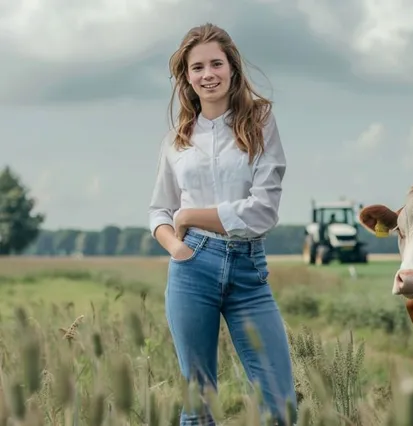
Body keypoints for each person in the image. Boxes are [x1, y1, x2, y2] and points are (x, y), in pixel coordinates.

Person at [148, 23, 297, 425]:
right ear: (187, 77)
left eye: (216, 63)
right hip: (192, 268)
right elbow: (160, 211)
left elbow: (264, 210)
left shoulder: (260, 121)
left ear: (232, 68)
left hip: (249, 271)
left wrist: (192, 215)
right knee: (199, 406)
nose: (208, 74)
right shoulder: (176, 140)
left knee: (281, 407)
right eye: (197, 67)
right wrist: (178, 247)